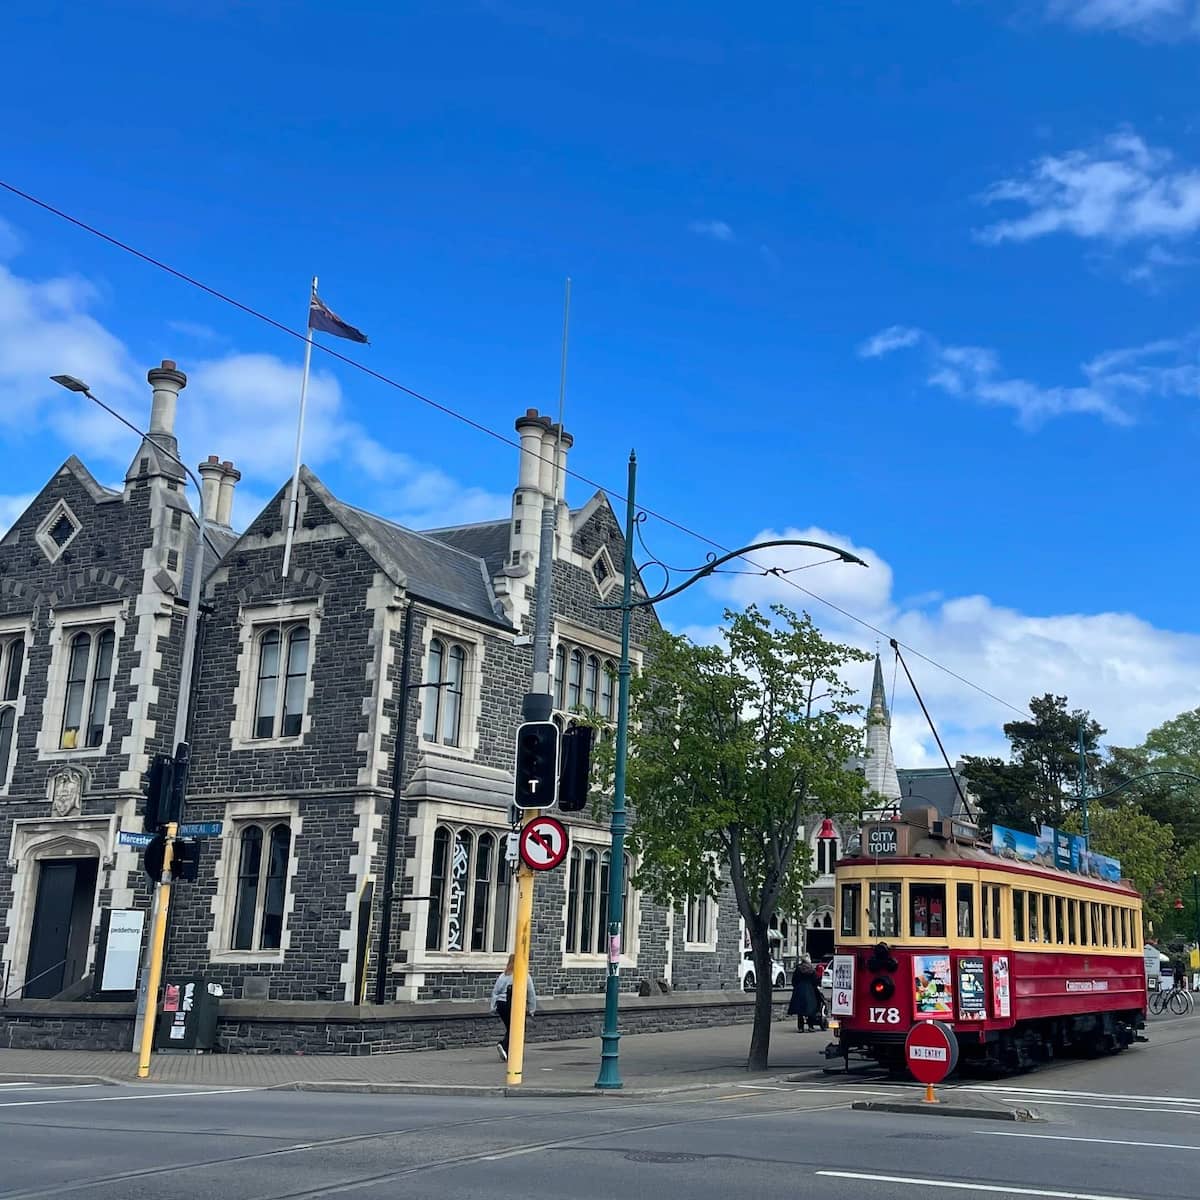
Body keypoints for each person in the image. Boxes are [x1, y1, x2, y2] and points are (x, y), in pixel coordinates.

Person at [491, 954, 537, 1061]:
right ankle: (503, 1045)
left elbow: (495, 992)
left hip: (501, 1005)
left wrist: (493, 1007)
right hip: (513, 1004)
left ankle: (507, 1050)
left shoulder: (503, 975)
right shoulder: (523, 975)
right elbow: (530, 993)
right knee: (518, 1028)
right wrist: (532, 1009)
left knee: (511, 1028)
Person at [787, 956, 824, 1032]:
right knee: (811, 1008)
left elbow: (794, 980)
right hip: (810, 990)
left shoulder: (798, 968)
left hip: (799, 989)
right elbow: (815, 981)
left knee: (800, 1010)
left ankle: (801, 1027)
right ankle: (810, 1026)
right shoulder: (811, 969)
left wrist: (796, 986)